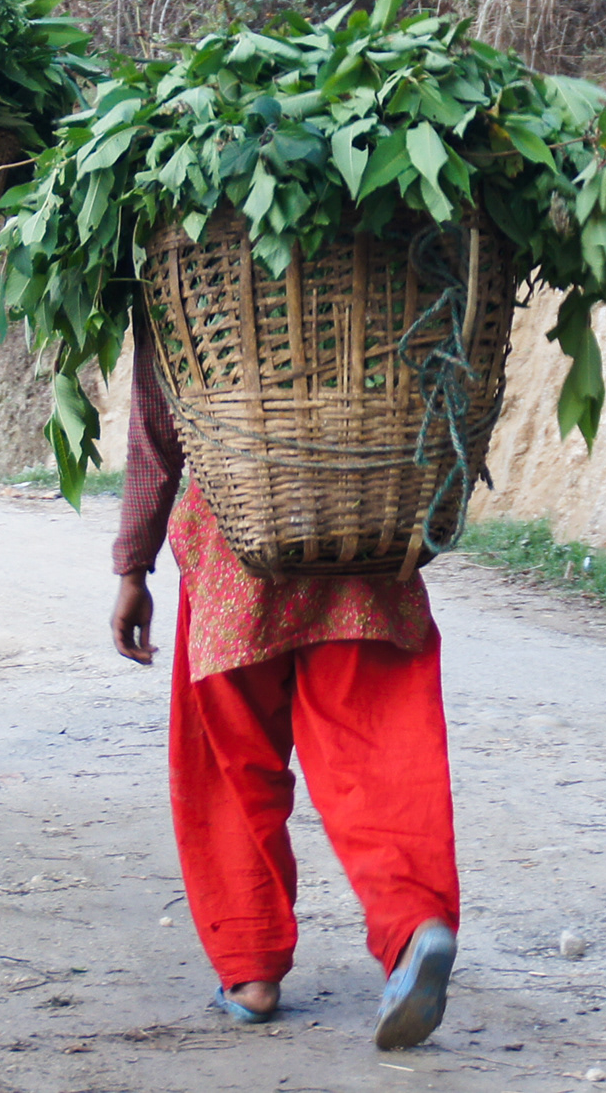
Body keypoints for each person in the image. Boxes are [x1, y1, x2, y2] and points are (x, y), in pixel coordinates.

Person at [109, 315, 460, 1050]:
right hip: (359, 513)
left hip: (238, 532)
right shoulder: (385, 248)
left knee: (230, 765)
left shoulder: (185, 262)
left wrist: (132, 565)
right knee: (378, 746)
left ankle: (251, 967)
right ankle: (413, 924)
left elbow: (156, 422)